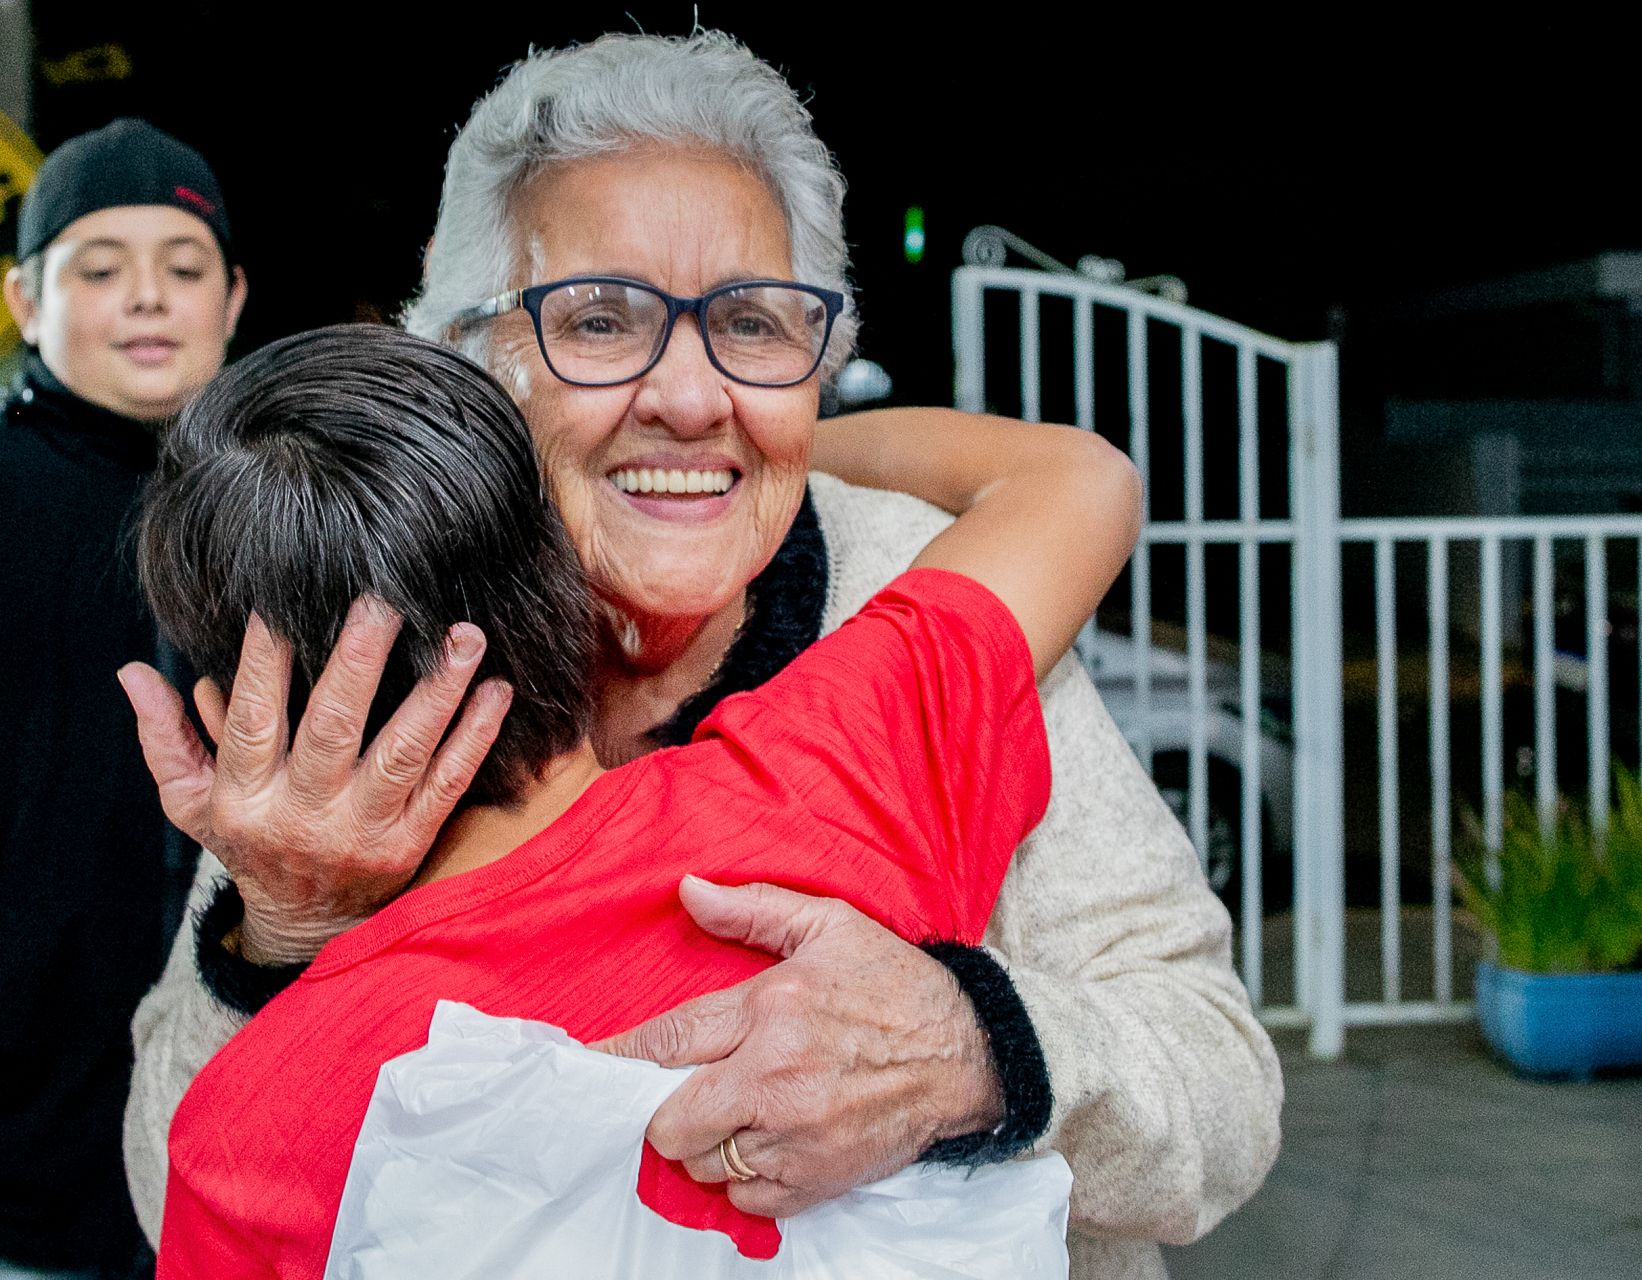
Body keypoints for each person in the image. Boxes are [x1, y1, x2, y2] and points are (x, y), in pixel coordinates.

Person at [120, 32, 1283, 1279]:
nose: (690, 394)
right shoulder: (379, 646)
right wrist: (289, 931)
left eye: (754, 325)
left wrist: (976, 1044)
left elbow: (1221, 1089)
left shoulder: (904, 581)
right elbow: (170, 1160)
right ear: (467, 363)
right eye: (602, 319)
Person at [146, 320, 1133, 1277]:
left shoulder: (246, 1129)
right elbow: (1078, 479)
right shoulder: (828, 777)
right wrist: (758, 452)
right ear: (567, 578)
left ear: (238, 718)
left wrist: (282, 925)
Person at [0, 118, 245, 1279]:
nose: (147, 297)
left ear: (234, 299)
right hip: (29, 1165)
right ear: (25, 300)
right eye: (99, 269)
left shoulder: (280, 507)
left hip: (234, 1150)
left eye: (183, 268)